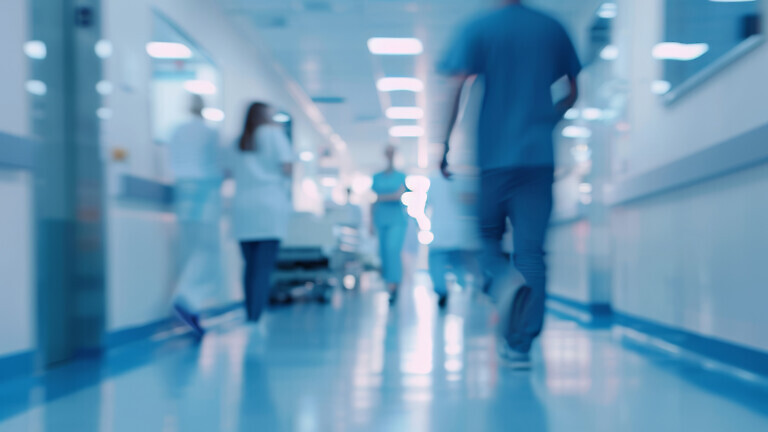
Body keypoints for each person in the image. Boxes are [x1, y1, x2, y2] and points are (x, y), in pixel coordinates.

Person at [438, 0, 581, 368]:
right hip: (538, 159)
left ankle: (501, 279)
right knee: (532, 253)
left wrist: (445, 143)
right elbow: (571, 91)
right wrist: (544, 122)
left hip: (494, 158)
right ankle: (520, 346)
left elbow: (456, 87)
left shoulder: (479, 27)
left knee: (486, 238)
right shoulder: (552, 26)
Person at [232, 102, 294, 323]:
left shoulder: (239, 140)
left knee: (250, 266)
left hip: (243, 208)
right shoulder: (274, 135)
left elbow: (228, 171)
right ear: (265, 116)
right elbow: (287, 167)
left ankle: (250, 311)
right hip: (269, 206)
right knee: (264, 266)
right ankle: (256, 316)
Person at [167, 94, 223, 337]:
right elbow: (217, 165)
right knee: (208, 251)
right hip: (204, 193)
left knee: (190, 250)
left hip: (183, 192)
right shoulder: (210, 134)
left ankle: (190, 304)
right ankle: (187, 299)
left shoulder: (177, 130)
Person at [427, 154, 482, 309]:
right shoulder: (460, 181)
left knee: (437, 264)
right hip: (457, 231)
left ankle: (442, 291)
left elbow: (427, 204)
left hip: (439, 230)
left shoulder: (433, 181)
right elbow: (469, 203)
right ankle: (465, 286)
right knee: (458, 263)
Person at [371, 145, 408, 305]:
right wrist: (371, 222)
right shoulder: (376, 176)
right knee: (384, 253)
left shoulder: (401, 176)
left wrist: (382, 197)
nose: (390, 155)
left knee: (393, 250)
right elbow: (374, 201)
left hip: (397, 221)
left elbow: (397, 196)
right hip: (381, 219)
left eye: (392, 152)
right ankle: (389, 286)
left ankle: (394, 285)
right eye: (388, 152)